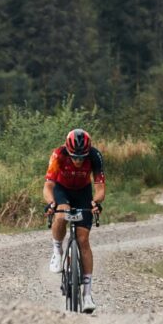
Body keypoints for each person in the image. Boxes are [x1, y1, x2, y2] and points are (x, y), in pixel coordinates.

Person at [44, 127, 106, 309]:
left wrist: (95, 202)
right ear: (67, 150)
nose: (78, 161)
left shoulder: (95, 156)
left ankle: (87, 295)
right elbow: (48, 186)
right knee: (62, 213)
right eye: (74, 157)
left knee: (83, 239)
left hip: (83, 192)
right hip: (62, 190)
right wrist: (51, 203)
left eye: (81, 157)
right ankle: (57, 250)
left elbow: (100, 188)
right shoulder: (58, 154)